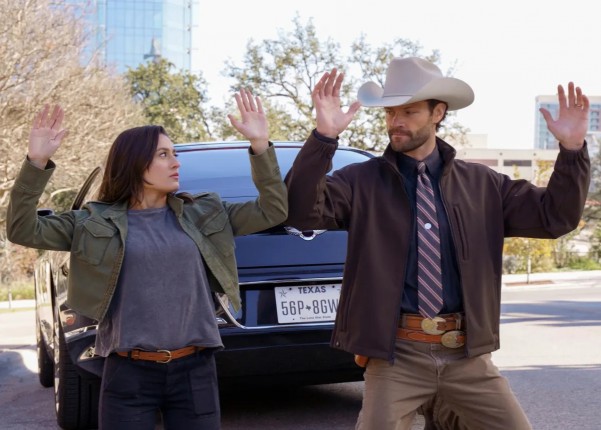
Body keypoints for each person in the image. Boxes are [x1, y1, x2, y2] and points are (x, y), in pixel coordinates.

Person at [284, 57, 590, 430]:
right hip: (397, 356)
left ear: (438, 113)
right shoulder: (359, 182)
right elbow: (301, 212)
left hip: (466, 357)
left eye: (409, 111)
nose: (396, 121)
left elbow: (555, 217)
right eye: (391, 112)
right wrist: (323, 138)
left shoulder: (483, 185)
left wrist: (572, 150)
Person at [6, 89, 287, 429]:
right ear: (135, 163)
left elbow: (273, 210)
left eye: (174, 154)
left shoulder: (204, 212)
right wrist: (36, 163)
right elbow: (21, 229)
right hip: (128, 375)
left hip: (194, 371)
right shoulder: (92, 222)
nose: (176, 162)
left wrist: (260, 145)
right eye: (164, 155)